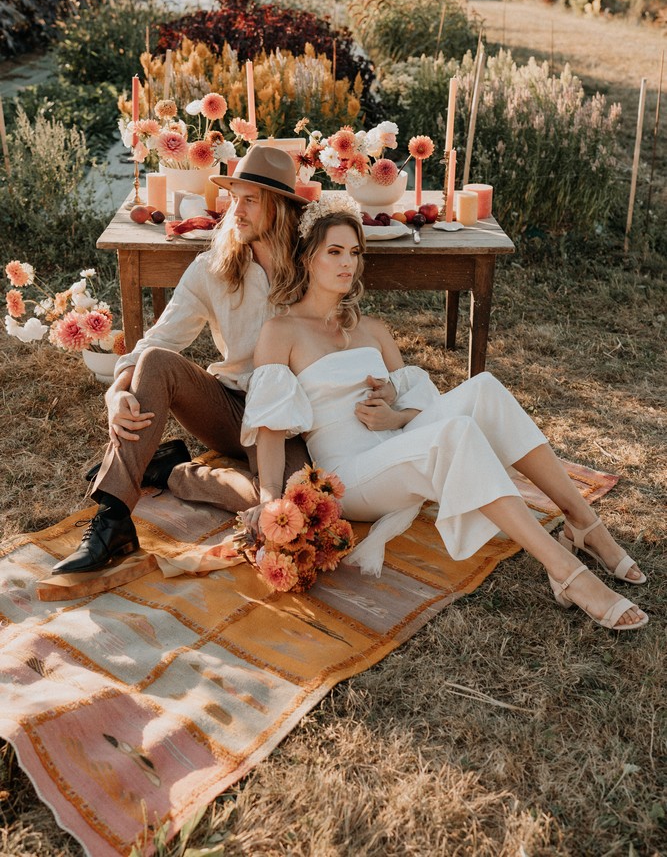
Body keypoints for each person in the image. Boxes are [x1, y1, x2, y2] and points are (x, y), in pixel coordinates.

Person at [240, 194, 648, 632]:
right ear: (307, 258)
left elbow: (421, 401)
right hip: (353, 479)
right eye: (334, 252)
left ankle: (582, 522)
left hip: (401, 447)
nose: (347, 264)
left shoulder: (372, 329)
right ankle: (567, 572)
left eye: (354, 252)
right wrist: (269, 502)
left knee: (484, 390)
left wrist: (393, 416)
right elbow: (269, 427)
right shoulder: (280, 331)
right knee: (453, 434)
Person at [53, 145, 323, 575]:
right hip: (228, 409)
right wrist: (115, 390)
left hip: (286, 423)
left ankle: (171, 469)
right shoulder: (212, 268)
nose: (236, 209)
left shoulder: (313, 268)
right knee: (157, 361)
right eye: (234, 197)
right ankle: (113, 519)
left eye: (250, 199)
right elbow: (158, 341)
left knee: (286, 505)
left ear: (280, 207)